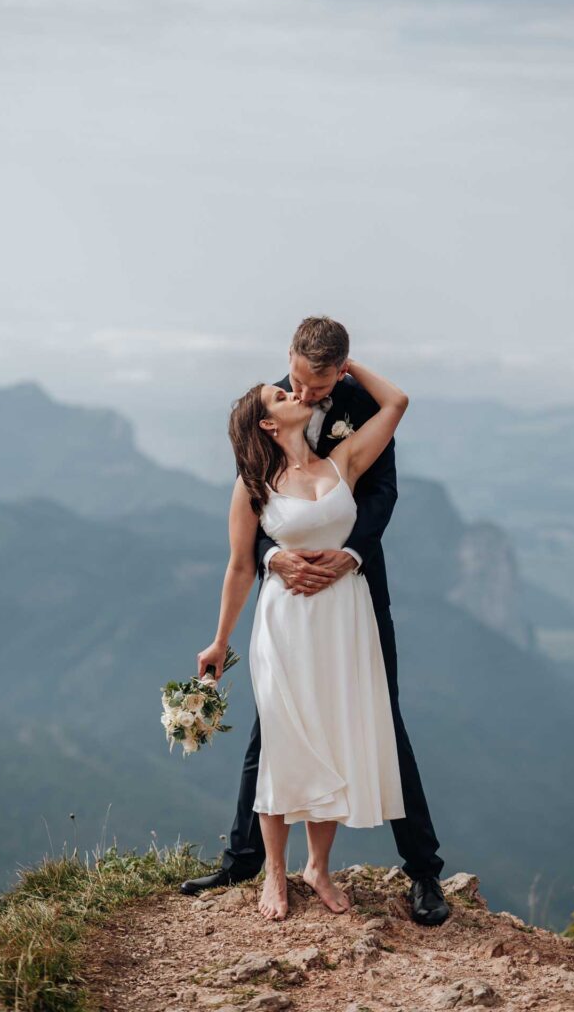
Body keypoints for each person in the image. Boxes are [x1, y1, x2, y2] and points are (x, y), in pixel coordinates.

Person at [181, 316, 448, 926]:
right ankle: (247, 860)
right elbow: (253, 521)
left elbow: (382, 494)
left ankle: (422, 870)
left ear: (340, 369)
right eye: (295, 381)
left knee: (379, 715)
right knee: (271, 728)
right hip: (287, 604)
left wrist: (348, 555)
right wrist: (276, 559)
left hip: (353, 592)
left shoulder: (354, 408)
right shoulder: (268, 408)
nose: (303, 394)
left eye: (317, 384)